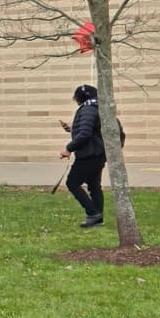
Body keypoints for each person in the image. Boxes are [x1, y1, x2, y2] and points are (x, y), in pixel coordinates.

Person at [62, 83, 107, 227]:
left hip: (89, 155)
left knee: (72, 183)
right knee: (94, 187)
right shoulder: (97, 107)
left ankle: (93, 213)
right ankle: (98, 219)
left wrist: (69, 148)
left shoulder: (88, 109)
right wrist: (72, 128)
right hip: (98, 154)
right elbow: (92, 130)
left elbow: (85, 134)